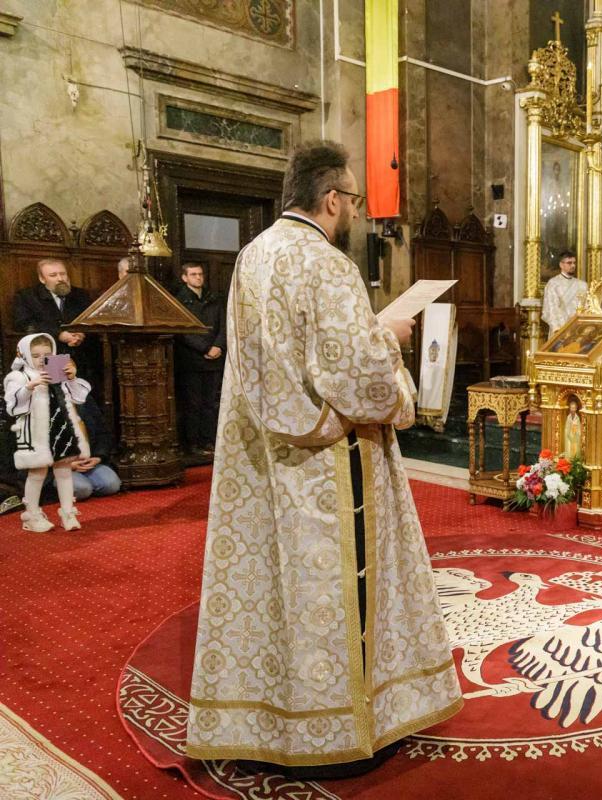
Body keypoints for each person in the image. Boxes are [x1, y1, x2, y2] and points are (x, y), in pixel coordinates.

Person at [186, 141, 462, 772]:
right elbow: (356, 377)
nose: (354, 214)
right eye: (353, 202)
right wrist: (389, 341)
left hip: (265, 458)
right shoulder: (326, 264)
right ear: (331, 198)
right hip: (330, 464)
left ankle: (276, 719)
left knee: (280, 588)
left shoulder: (252, 257)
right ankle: (337, 736)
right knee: (337, 588)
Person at [4, 334, 90, 532]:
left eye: (47, 354)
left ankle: (68, 513)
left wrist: (72, 377)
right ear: (24, 354)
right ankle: (31, 515)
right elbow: (12, 407)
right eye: (35, 355)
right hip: (36, 433)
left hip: (60, 427)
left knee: (64, 469)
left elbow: (78, 398)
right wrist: (30, 387)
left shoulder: (56, 372)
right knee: (37, 472)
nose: (42, 360)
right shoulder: (18, 376)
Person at [12, 259, 97, 385]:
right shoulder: (27, 296)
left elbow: (91, 319)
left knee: (84, 393)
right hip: (51, 352)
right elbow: (24, 323)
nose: (60, 279)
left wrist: (81, 333)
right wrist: (59, 334)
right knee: (62, 396)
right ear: (42, 279)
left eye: (63, 274)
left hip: (82, 352)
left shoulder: (81, 295)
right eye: (53, 275)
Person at [174, 262, 226, 457]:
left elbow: (224, 326)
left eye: (200, 274)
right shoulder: (180, 300)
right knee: (193, 404)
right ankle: (193, 443)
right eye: (193, 274)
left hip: (214, 360)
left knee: (210, 404)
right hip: (192, 360)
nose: (198, 278)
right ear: (184, 278)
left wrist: (218, 346)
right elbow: (182, 331)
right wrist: (204, 348)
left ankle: (209, 440)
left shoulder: (214, 299)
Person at [71, 394, 121, 500]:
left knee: (111, 484)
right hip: (60, 467)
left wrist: (98, 457)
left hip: (88, 460)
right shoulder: (45, 401)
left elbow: (102, 431)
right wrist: (68, 465)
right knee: (82, 489)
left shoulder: (83, 396)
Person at [541, 250, 587, 335]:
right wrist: (558, 329)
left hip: (578, 330)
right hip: (560, 330)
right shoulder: (553, 284)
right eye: (569, 263)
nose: (573, 265)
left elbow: (587, 307)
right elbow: (551, 309)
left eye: (574, 263)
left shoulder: (582, 285)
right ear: (561, 265)